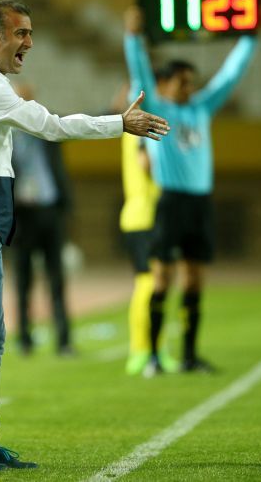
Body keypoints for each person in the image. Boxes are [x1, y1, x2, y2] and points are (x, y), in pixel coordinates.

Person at [0, 0, 169, 471]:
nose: (30, 42)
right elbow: (51, 126)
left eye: (30, 32)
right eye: (20, 33)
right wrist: (118, 123)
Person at [123, 6, 257, 376]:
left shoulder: (201, 108)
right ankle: (153, 355)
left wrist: (249, 39)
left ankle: (190, 356)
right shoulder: (157, 108)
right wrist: (133, 37)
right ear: (165, 84)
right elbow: (140, 73)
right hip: (171, 203)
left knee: (195, 278)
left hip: (200, 203)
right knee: (162, 278)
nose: (189, 88)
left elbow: (230, 76)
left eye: (191, 82)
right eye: (182, 82)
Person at [10, 83, 74, 357]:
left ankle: (64, 341)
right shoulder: (4, 134)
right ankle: (24, 339)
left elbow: (78, 123)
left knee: (57, 279)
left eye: (28, 100)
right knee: (23, 281)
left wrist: (113, 113)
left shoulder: (46, 128)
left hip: (49, 209)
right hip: (21, 214)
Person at [119, 131, 160, 375]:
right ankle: (141, 350)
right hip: (144, 217)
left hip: (142, 216)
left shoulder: (134, 128)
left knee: (154, 284)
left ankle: (154, 348)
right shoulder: (145, 127)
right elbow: (147, 164)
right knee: (149, 284)